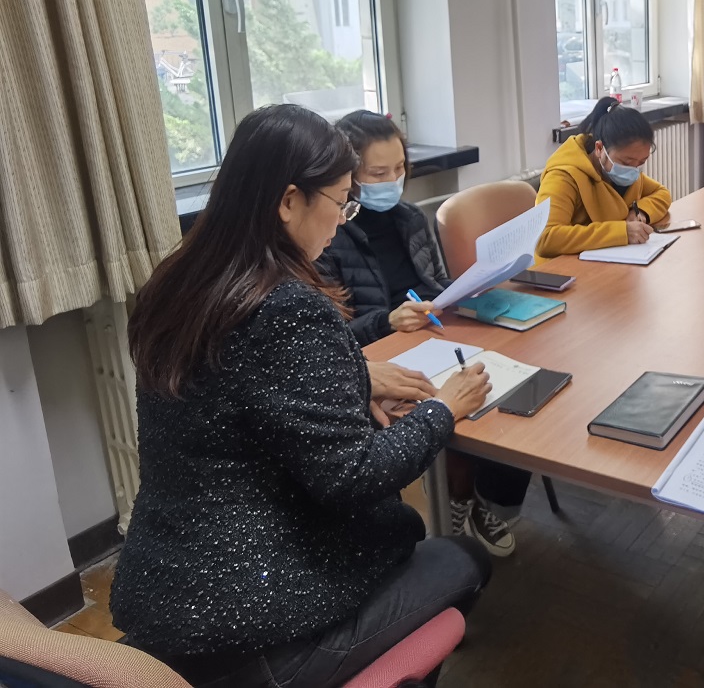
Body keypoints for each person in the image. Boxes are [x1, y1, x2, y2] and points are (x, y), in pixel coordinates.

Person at [112, 104, 495, 688]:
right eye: (341, 201)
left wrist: (355, 380)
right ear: (289, 200)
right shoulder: (287, 306)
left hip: (169, 600)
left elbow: (242, 393)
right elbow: (354, 478)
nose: (343, 219)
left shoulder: (180, 281)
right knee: (461, 559)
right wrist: (445, 408)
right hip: (256, 630)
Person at [316, 109, 533, 557]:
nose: (393, 181)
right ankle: (457, 501)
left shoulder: (411, 218)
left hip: (432, 338)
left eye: (399, 169)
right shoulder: (328, 235)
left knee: (517, 390)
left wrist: (462, 290)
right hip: (379, 358)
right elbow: (331, 338)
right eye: (378, 173)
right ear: (348, 177)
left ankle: (478, 498)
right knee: (468, 408)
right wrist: (387, 320)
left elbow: (434, 284)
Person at [537, 96, 672, 257]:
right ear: (600, 148)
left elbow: (662, 193)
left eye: (641, 162)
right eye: (626, 162)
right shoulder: (563, 176)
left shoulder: (627, 169)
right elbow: (546, 238)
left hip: (610, 260)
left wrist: (640, 212)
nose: (634, 170)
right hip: (562, 268)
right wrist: (622, 232)